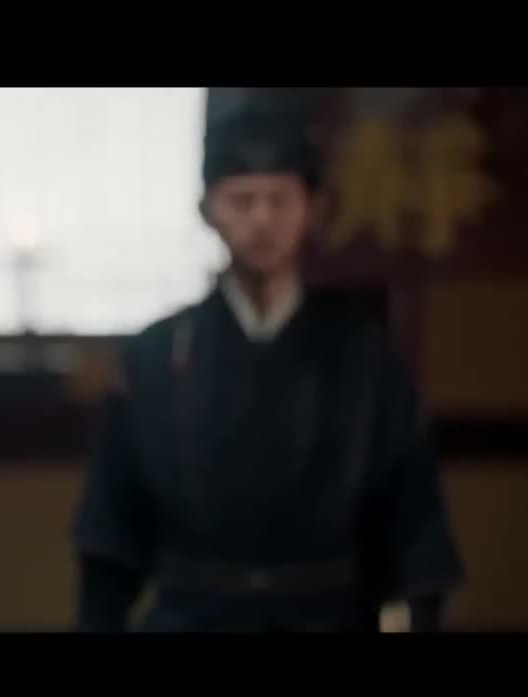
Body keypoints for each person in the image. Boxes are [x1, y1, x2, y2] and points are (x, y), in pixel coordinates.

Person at [71, 100, 465, 632]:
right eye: (242, 200)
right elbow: (109, 540)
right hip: (192, 617)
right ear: (208, 210)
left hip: (331, 617)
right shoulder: (154, 358)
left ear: (313, 208)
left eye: (279, 199)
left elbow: (415, 527)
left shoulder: (364, 356)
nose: (262, 219)